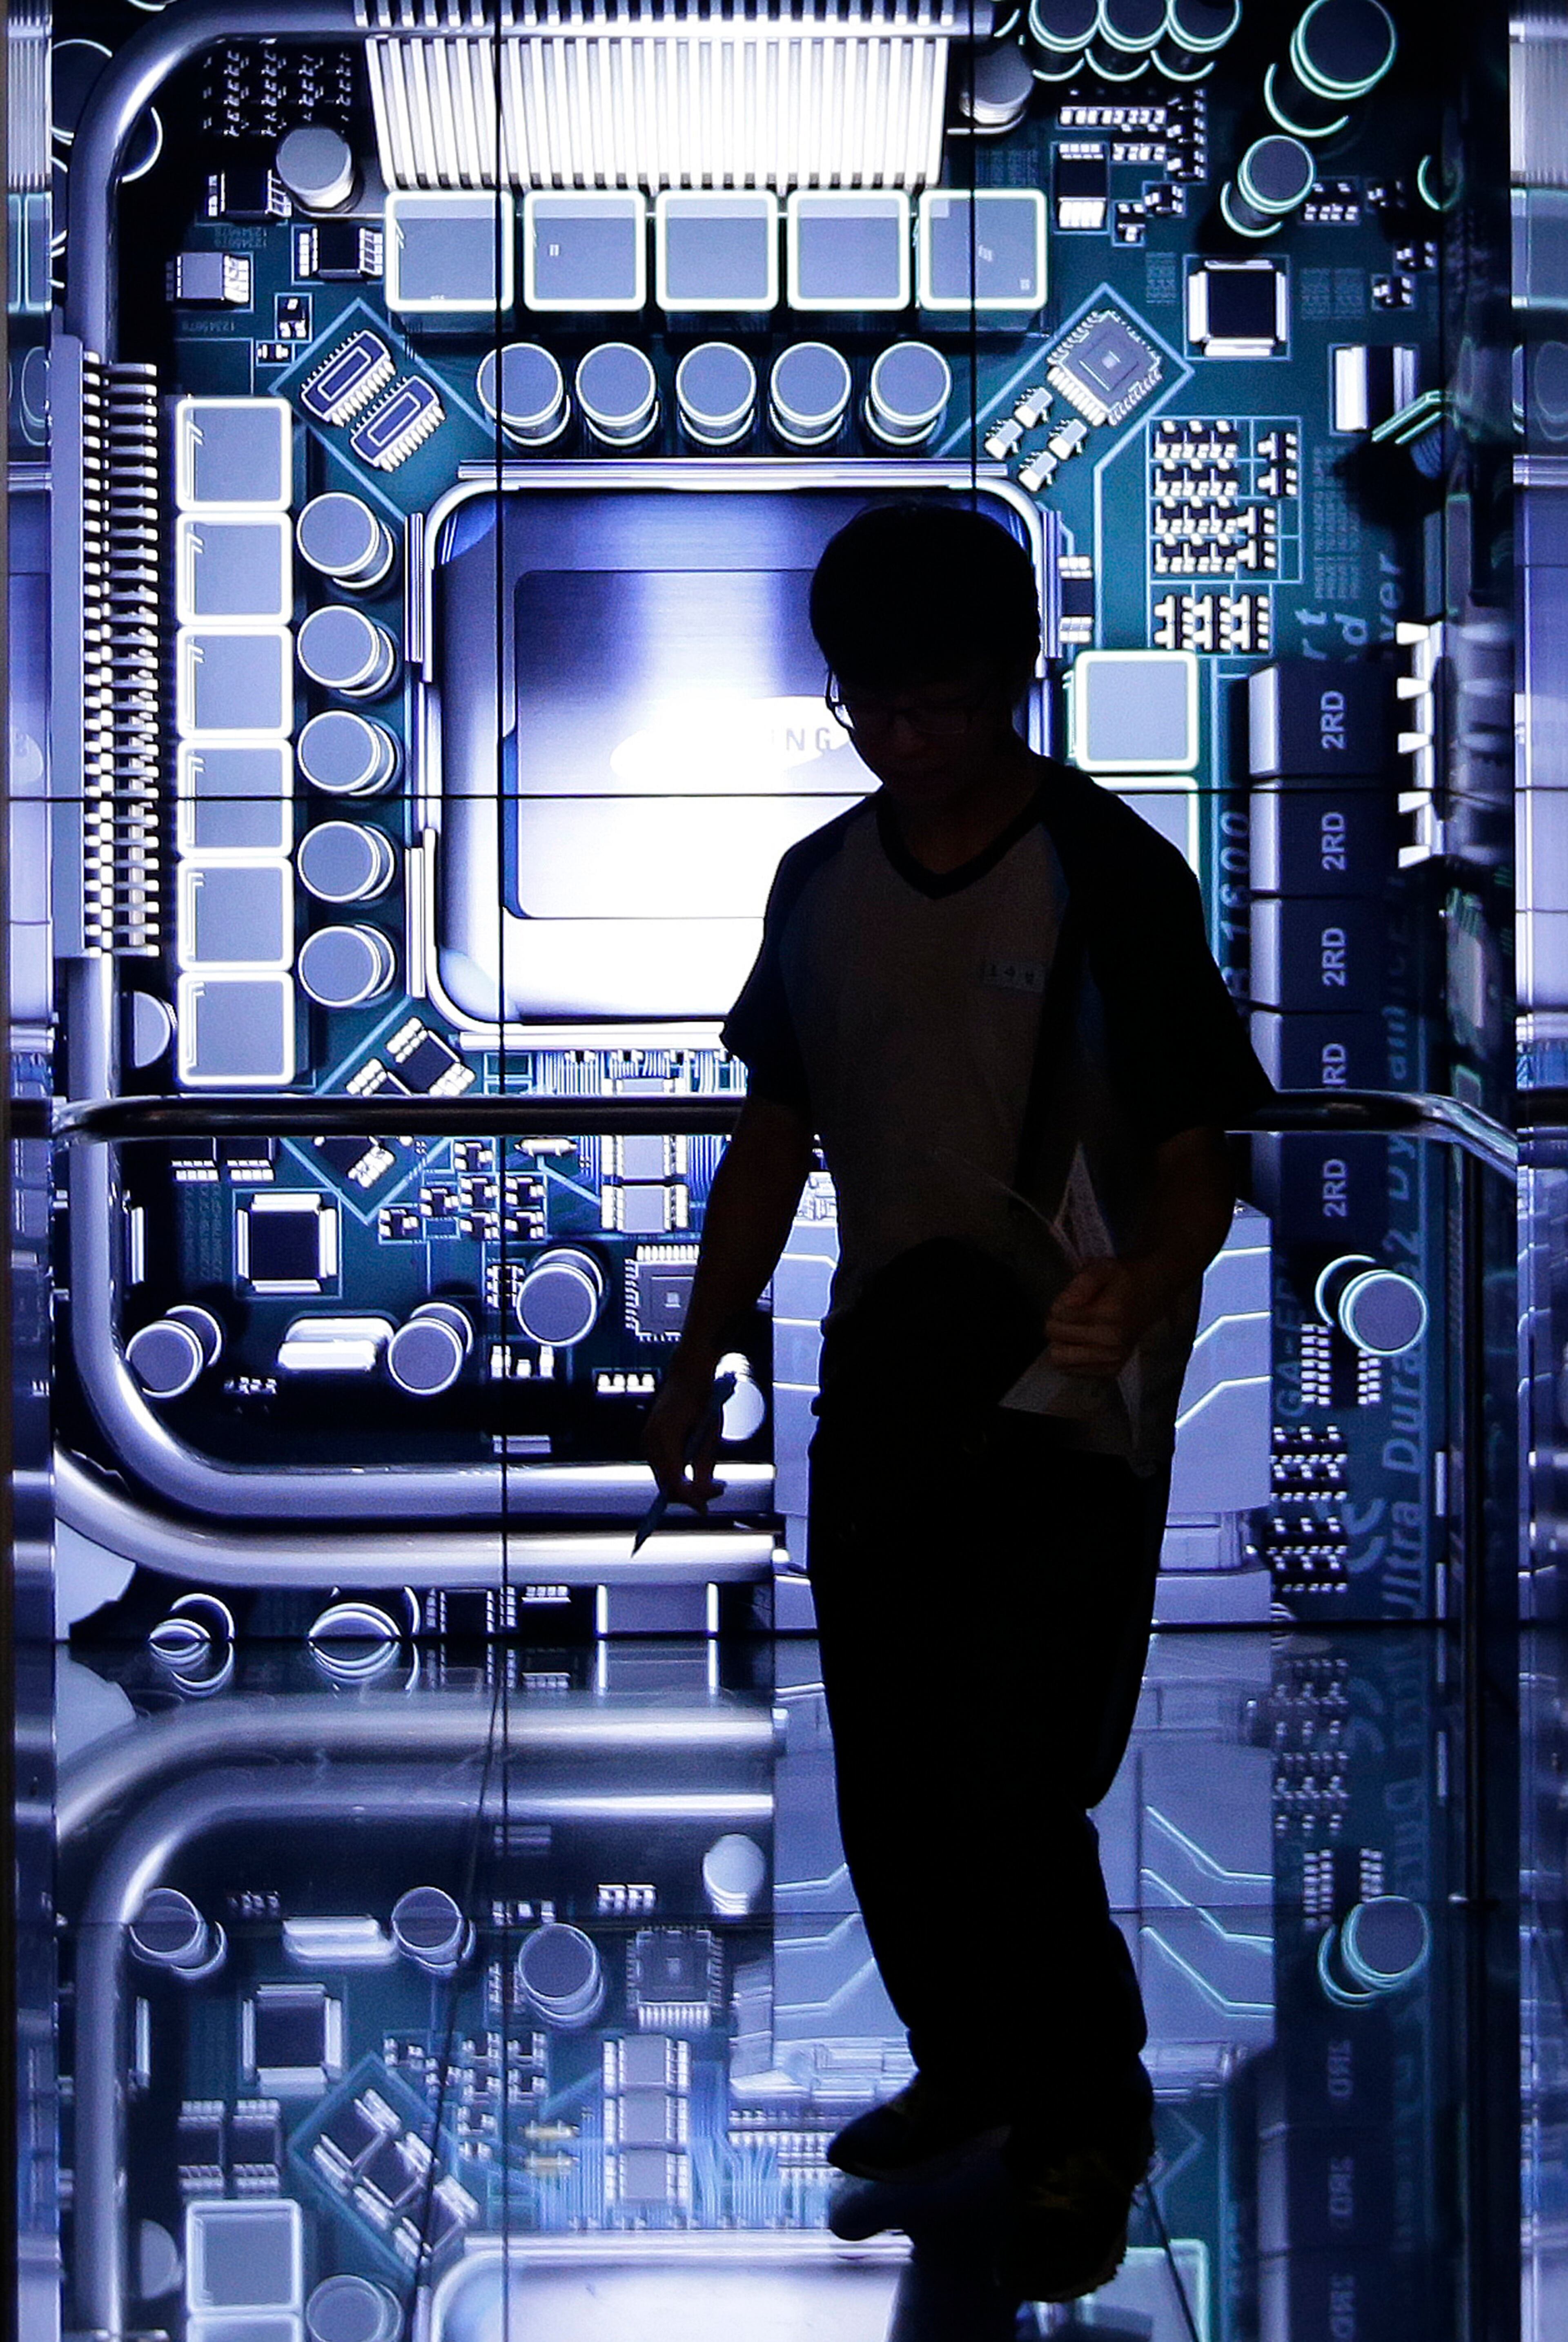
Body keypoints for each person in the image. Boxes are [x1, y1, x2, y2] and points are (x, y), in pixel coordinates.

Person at [644, 502, 1274, 2303]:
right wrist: (702, 1347)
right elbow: (773, 1135)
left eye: (936, 706)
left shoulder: (1109, 875)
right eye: (871, 709)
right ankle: (972, 2070)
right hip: (893, 1374)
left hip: (1068, 1389)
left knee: (1015, 1776)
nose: (902, 740)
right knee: (898, 1775)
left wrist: (1145, 1290)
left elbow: (1192, 1151)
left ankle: (1087, 2116)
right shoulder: (824, 889)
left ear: (1014, 682)